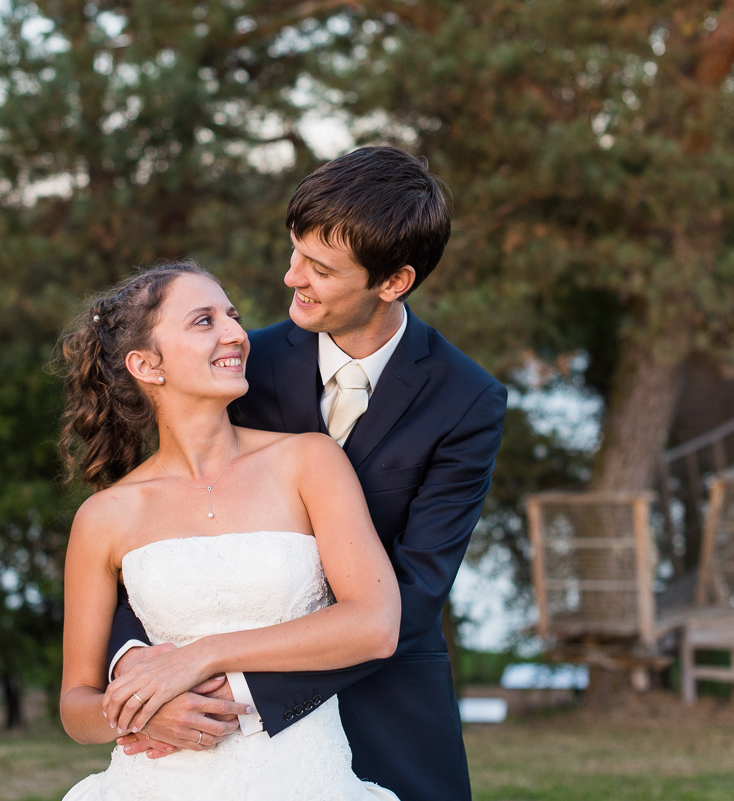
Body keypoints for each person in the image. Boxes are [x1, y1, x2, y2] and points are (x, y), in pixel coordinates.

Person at [108, 146, 507, 800]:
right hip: (200, 731)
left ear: (394, 281)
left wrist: (234, 688)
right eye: (294, 251)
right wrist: (140, 672)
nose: (292, 276)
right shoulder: (238, 365)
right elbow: (141, 537)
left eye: (319, 268)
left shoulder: (466, 399)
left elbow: (413, 594)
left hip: (386, 714)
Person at [57, 262, 402, 800]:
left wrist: (200, 654)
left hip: (303, 779)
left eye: (232, 315)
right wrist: (139, 719)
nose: (235, 333)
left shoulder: (309, 461)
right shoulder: (105, 516)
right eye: (203, 320)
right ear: (147, 364)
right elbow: (77, 705)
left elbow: (375, 623)